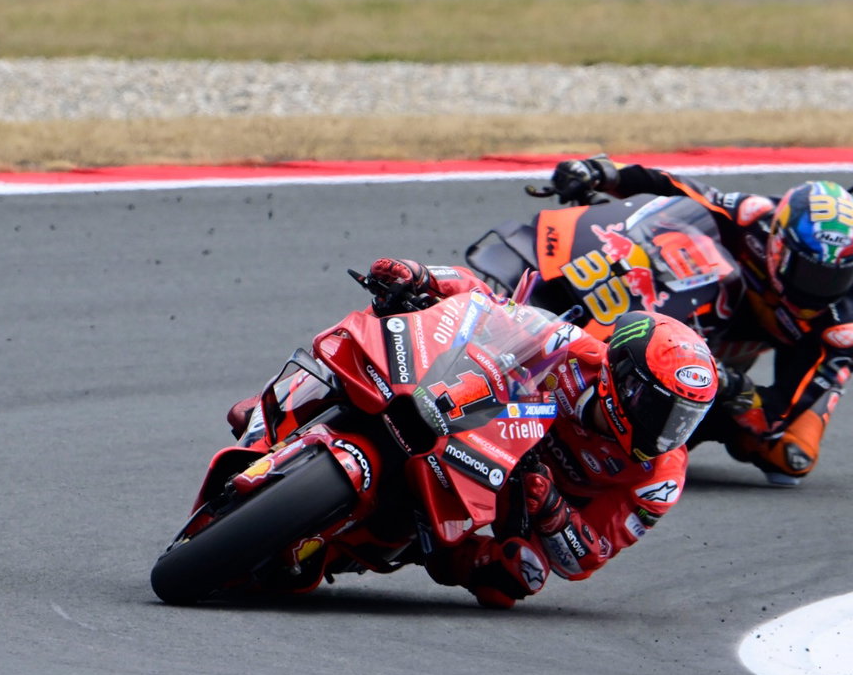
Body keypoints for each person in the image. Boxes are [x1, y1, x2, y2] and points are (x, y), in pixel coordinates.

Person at [227, 258, 717, 609]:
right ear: (624, 380)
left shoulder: (659, 478)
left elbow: (586, 557)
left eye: (685, 420)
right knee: (385, 323)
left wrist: (550, 510)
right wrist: (422, 277)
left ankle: (344, 543)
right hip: (463, 414)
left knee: (517, 574)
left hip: (508, 495)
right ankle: (275, 412)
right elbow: (487, 303)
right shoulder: (578, 351)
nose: (670, 430)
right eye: (661, 408)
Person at [549, 156, 853, 486]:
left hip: (802, 347)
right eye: (810, 273)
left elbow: (774, 415)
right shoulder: (756, 216)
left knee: (790, 455)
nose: (817, 289)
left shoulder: (844, 328)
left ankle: (667, 428)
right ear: (779, 244)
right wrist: (608, 174)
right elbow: (685, 190)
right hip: (730, 301)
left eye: (835, 278)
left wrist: (731, 384)